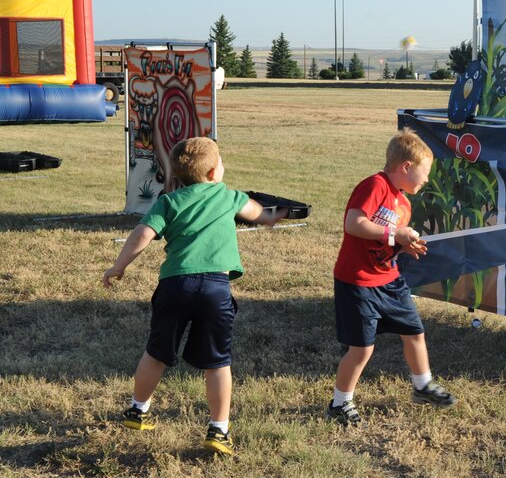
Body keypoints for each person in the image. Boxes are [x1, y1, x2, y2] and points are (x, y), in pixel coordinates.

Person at [102, 136, 286, 455]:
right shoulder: (227, 196)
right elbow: (255, 211)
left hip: (175, 286)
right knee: (218, 362)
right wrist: (270, 218)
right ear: (215, 172)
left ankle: (137, 410)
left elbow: (142, 233)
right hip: (216, 289)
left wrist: (119, 265)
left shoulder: (168, 202)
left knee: (157, 352)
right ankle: (218, 430)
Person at [327, 128, 456, 425]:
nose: (426, 180)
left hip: (389, 279)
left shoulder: (404, 204)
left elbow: (387, 241)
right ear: (406, 167)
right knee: (361, 349)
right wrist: (394, 233)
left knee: (414, 331)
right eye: (424, 173)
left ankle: (422, 385)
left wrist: (403, 246)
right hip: (358, 281)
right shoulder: (375, 186)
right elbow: (353, 223)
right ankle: (339, 403)